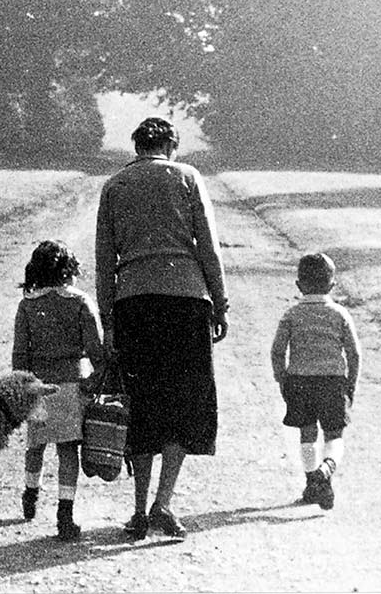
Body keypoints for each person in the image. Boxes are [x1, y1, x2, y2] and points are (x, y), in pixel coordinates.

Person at [95, 116, 229, 539]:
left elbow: (104, 262)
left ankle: (137, 511)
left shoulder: (115, 186)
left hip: (135, 302)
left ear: (136, 146)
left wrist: (108, 321)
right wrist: (220, 304)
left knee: (143, 404)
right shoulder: (188, 177)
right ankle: (163, 504)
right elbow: (207, 245)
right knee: (183, 404)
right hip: (186, 301)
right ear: (171, 145)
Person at [11, 240, 106, 541]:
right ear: (69, 270)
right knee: (68, 451)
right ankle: (65, 512)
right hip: (69, 384)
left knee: (35, 445)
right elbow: (96, 352)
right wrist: (93, 381)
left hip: (38, 386)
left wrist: (23, 386)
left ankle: (31, 492)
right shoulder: (79, 302)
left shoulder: (28, 305)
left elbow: (19, 355)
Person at [269, 252, 362, 510]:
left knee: (307, 433)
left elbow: (277, 350)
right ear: (332, 285)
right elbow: (354, 353)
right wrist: (351, 383)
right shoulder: (340, 314)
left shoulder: (291, 314)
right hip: (332, 382)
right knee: (334, 435)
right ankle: (327, 468)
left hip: (299, 381)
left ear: (299, 285)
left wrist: (282, 379)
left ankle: (312, 481)